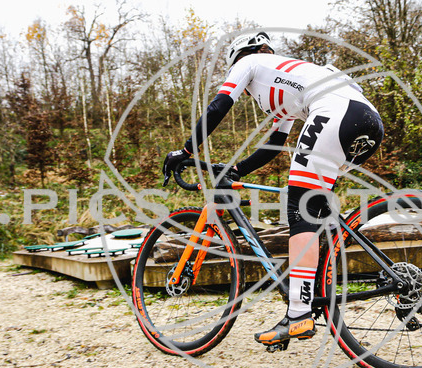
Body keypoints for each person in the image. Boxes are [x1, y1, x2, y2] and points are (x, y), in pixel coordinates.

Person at [163, 31, 383, 347]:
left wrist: (185, 152)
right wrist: (235, 171)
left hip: (335, 112)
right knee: (314, 207)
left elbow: (218, 107)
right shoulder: (288, 82)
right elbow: (273, 146)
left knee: (300, 204)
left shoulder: (250, 62)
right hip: (367, 120)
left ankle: (298, 313)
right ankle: (312, 291)